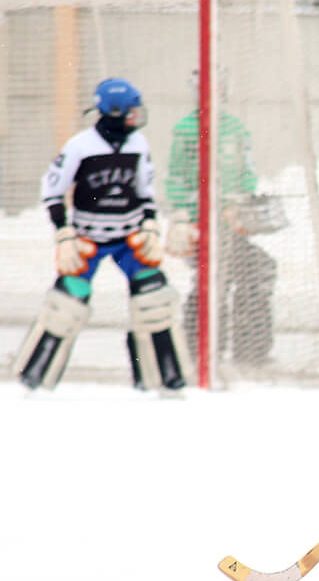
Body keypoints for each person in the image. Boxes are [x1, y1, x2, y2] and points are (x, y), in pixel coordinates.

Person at [13, 77, 189, 393]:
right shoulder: (80, 146)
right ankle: (34, 375)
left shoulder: (138, 145)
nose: (136, 116)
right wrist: (64, 233)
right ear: (115, 111)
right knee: (65, 306)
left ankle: (161, 377)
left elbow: (145, 190)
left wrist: (150, 224)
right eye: (131, 111)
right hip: (88, 239)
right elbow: (52, 190)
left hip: (128, 239)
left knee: (154, 302)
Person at [164, 73, 279, 367]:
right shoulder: (187, 130)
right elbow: (176, 177)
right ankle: (200, 348)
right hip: (200, 225)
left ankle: (250, 351)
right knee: (211, 278)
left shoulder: (234, 129)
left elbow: (247, 172)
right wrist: (182, 216)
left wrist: (241, 204)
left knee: (255, 270)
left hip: (230, 224)